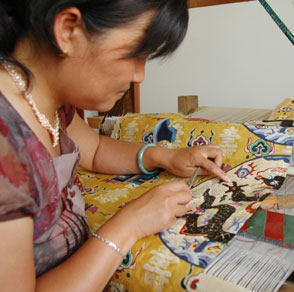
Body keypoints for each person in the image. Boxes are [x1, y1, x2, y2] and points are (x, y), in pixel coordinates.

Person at [0, 0, 230, 291]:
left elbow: (94, 150)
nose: (139, 76)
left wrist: (167, 157)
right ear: (68, 30)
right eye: (134, 56)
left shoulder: (45, 101)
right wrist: (129, 225)